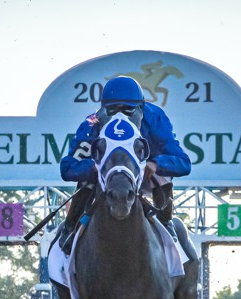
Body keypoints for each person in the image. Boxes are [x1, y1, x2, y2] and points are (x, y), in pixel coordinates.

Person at [58, 75, 191, 253]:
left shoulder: (155, 118)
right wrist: (94, 167)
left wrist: (155, 164)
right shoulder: (92, 123)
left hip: (145, 177)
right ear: (103, 108)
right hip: (108, 179)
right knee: (87, 179)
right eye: (113, 109)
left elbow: (183, 163)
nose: (120, 115)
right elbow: (67, 168)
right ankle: (71, 226)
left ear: (141, 107)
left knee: (162, 175)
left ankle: (166, 222)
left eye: (128, 110)